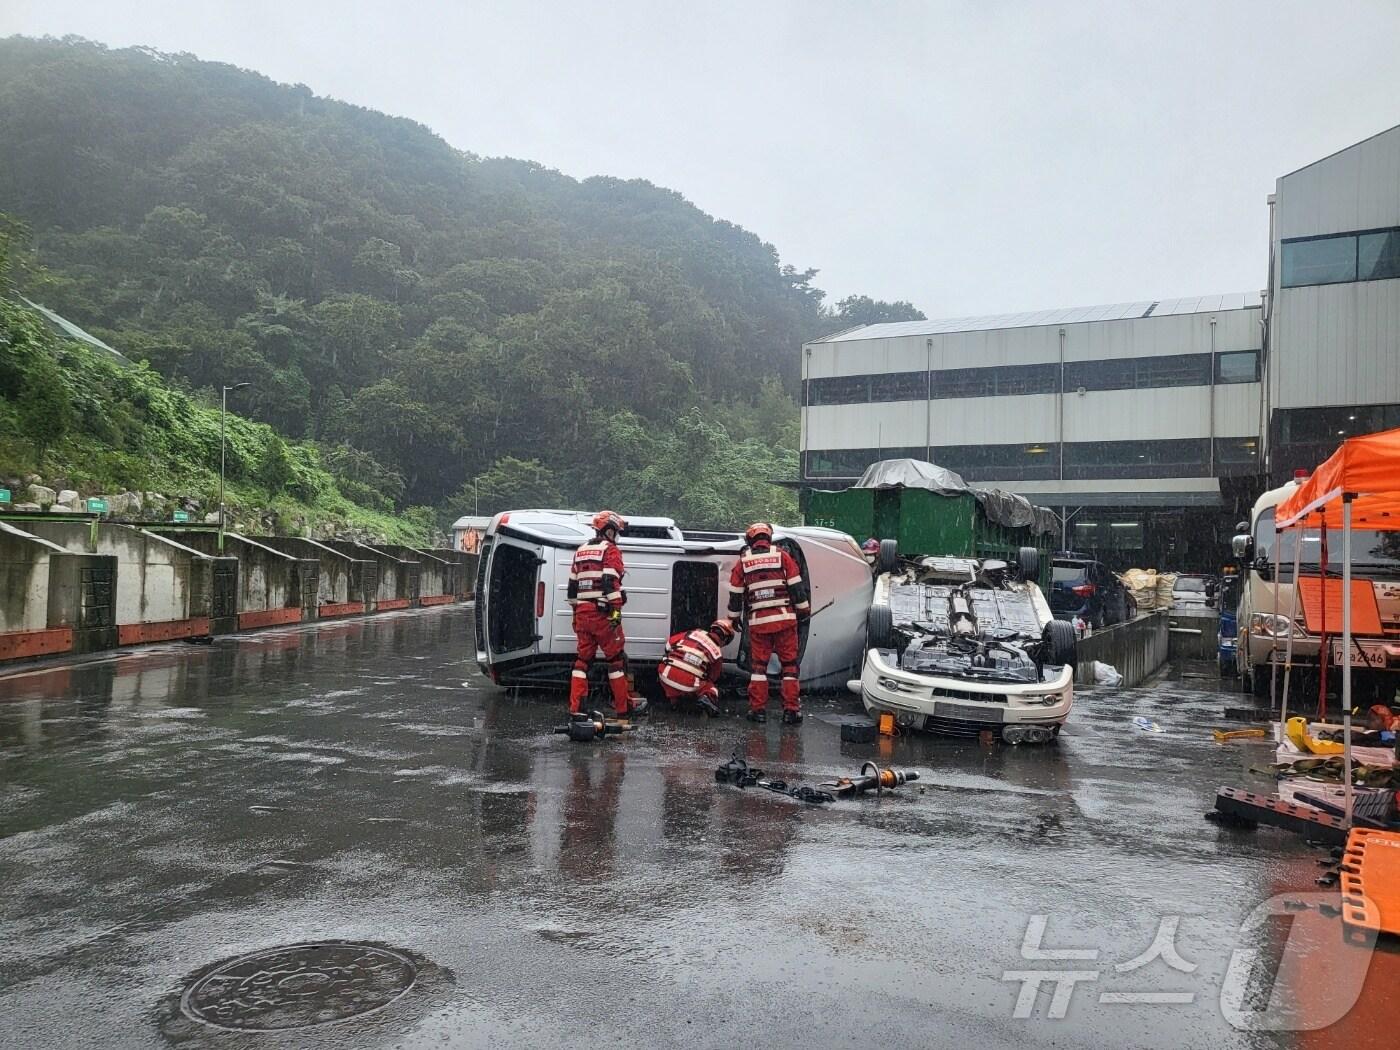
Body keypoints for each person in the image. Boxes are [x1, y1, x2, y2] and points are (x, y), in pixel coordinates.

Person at [728, 522, 811, 724]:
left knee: (758, 669)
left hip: (759, 624)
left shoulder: (743, 563)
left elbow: (735, 596)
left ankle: (758, 711)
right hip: (785, 620)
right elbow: (796, 587)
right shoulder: (783, 556)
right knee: (789, 667)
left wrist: (733, 618)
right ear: (769, 537)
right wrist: (803, 611)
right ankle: (791, 711)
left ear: (750, 540)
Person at [567, 510, 644, 718]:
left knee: (582, 662)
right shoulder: (610, 550)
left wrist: (576, 614)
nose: (616, 536)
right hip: (602, 614)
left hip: (582, 613)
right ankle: (622, 707)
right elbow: (610, 583)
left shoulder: (580, 550)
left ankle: (576, 708)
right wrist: (616, 610)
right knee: (616, 660)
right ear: (609, 531)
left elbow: (572, 589)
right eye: (615, 532)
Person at [657, 619, 734, 717]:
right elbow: (713, 677)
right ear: (726, 639)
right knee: (711, 687)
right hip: (688, 685)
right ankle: (706, 698)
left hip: (665, 677)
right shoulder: (717, 654)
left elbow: (668, 645)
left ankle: (674, 702)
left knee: (669, 670)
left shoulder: (693, 633)